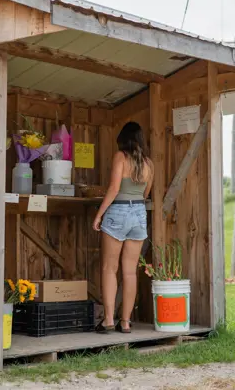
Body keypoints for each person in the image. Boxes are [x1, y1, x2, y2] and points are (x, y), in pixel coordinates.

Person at [92, 121, 154, 334]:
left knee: (110, 268)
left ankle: (108, 320)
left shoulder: (120, 157)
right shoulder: (149, 164)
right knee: (130, 272)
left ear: (123, 139)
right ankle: (125, 322)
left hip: (118, 211)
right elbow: (145, 194)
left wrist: (99, 215)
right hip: (138, 213)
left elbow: (113, 189)